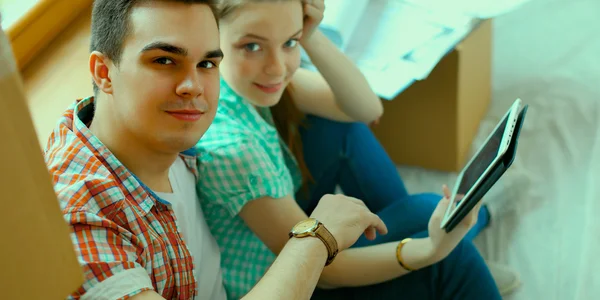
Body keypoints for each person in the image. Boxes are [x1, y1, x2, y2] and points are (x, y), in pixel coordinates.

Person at [42, 1, 390, 299]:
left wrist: (301, 33)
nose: (193, 87)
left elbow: (365, 109)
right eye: (164, 61)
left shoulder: (150, 121)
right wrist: (316, 236)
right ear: (104, 72)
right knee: (428, 241)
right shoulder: (78, 220)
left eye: (208, 63)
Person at [195, 0, 518, 299]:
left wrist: (311, 36)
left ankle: (453, 246)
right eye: (252, 46)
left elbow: (365, 109)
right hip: (287, 283)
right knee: (440, 239)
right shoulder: (235, 149)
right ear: (210, 35)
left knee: (339, 127)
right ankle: (460, 248)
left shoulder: (230, 77)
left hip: (293, 237)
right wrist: (429, 251)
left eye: (289, 42)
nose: (277, 68)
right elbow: (325, 272)